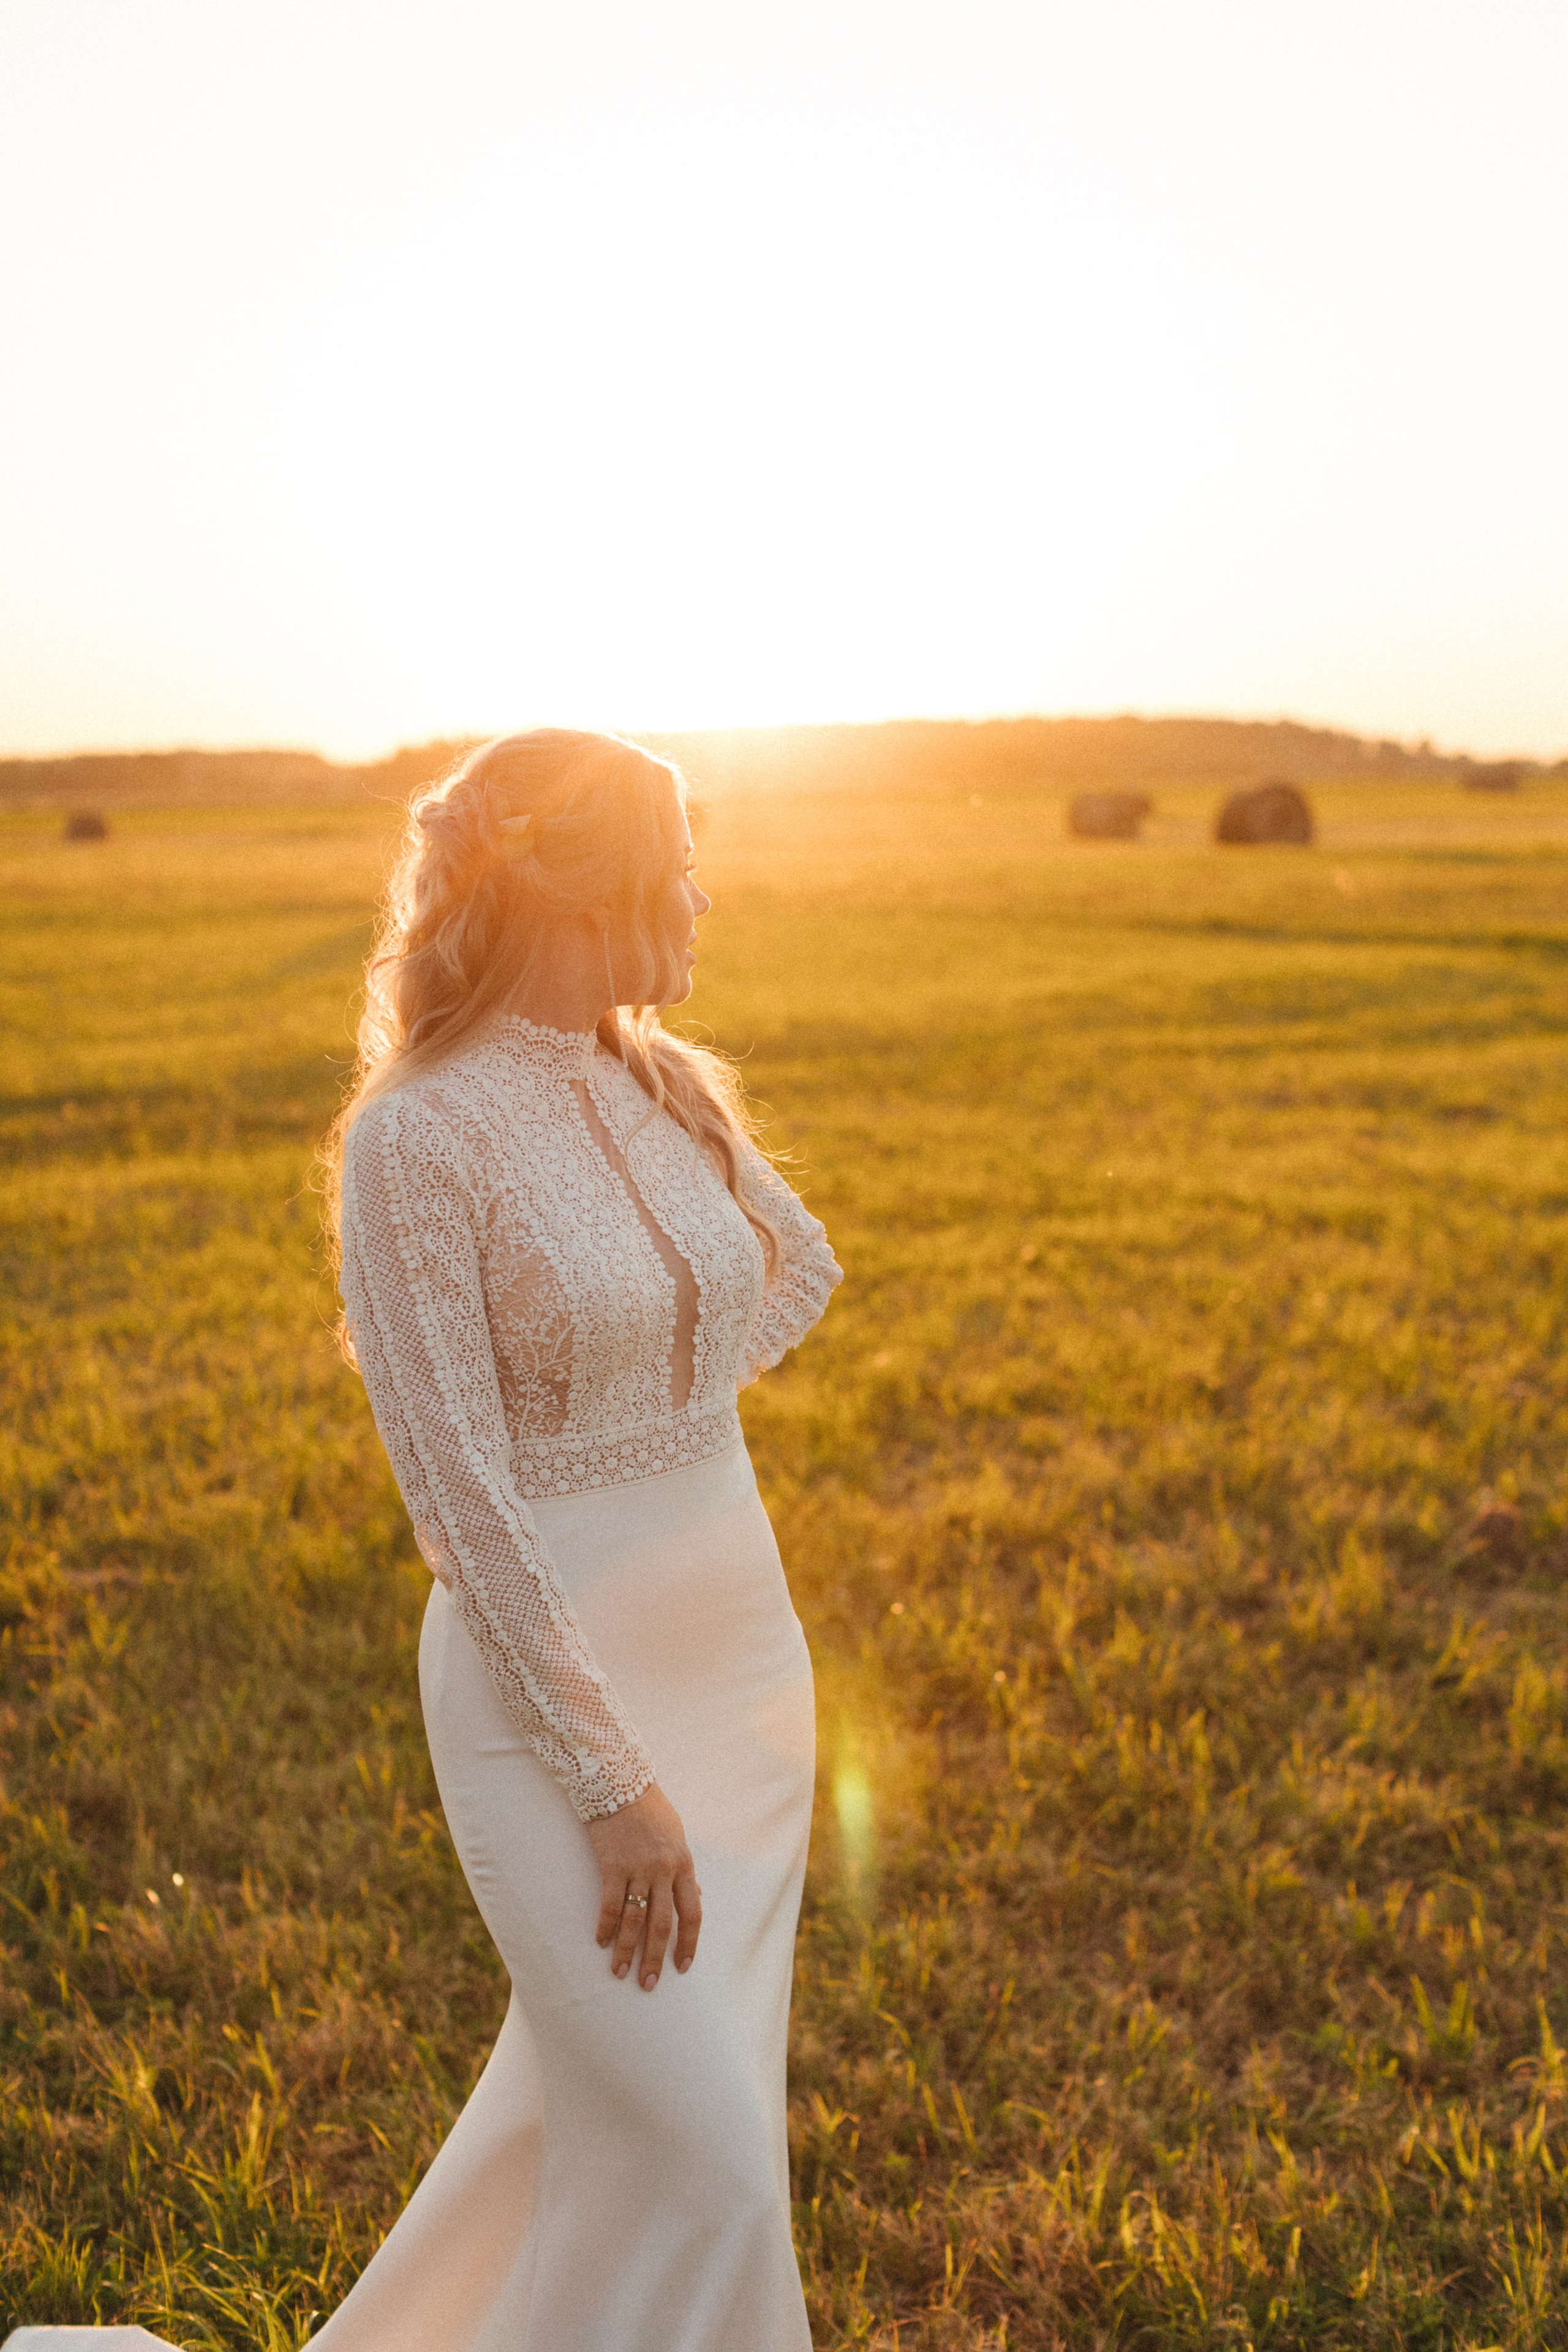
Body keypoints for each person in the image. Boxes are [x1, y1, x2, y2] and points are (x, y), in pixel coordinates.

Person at [315, 730, 841, 2352]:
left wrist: (660, 1398)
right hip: (564, 1716)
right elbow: (462, 1492)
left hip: (743, 1681)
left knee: (620, 2143)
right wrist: (613, 1787)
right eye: (672, 863)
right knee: (715, 2169)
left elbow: (801, 1273)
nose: (699, 894)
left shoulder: (653, 1077)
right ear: (572, 884)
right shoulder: (418, 1140)